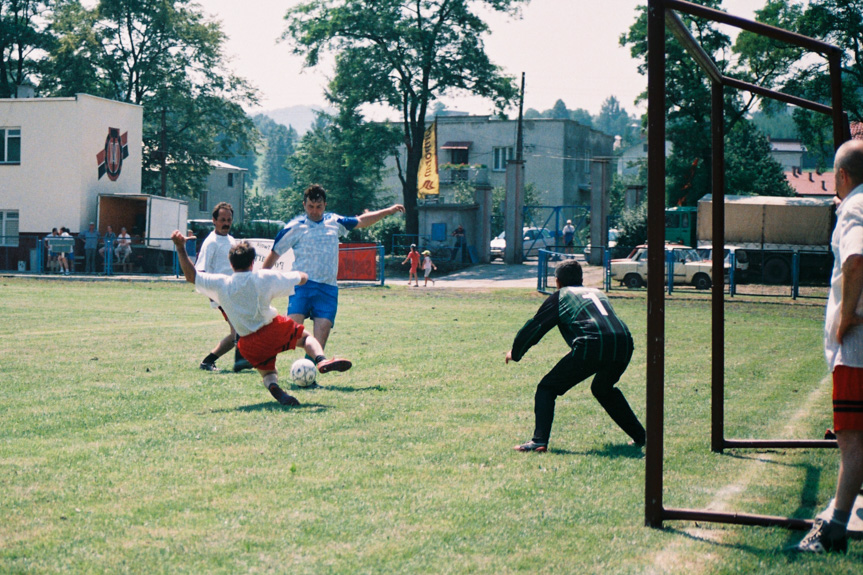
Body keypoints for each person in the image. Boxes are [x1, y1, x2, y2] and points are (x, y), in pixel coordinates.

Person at [170, 231, 352, 406]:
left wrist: (180, 248)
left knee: (268, 373)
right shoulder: (263, 277)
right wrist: (303, 275)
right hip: (272, 329)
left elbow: (191, 276)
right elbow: (300, 278)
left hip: (247, 343)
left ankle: (274, 387)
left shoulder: (221, 284)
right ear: (252, 262)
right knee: (306, 339)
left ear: (231, 263)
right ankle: (321, 360)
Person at [795, 139, 863, 554]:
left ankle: (834, 528)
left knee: (852, 438)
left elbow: (856, 258)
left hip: (856, 348)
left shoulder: (853, 206)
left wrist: (846, 315)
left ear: (841, 176)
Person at [505, 258, 646, 452]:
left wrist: (516, 352)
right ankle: (641, 436)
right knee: (603, 389)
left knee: (547, 388)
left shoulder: (561, 295)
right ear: (581, 279)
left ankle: (539, 441)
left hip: (592, 343)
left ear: (557, 281)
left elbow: (536, 326)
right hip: (624, 343)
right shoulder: (597, 292)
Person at [262, 184, 404, 352]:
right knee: (291, 334)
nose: (314, 211)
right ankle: (258, 350)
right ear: (304, 205)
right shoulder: (294, 227)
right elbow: (274, 254)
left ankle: (310, 374)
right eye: (310, 207)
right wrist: (260, 283)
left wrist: (388, 211)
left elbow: (361, 221)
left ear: (325, 205)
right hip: (301, 287)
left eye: (319, 207)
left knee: (320, 343)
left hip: (327, 289)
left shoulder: (334, 221)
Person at [195, 202, 252, 373]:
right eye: (222, 220)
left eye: (229, 219)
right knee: (239, 328)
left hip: (235, 293)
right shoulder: (211, 242)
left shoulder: (231, 240)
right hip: (221, 294)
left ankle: (210, 361)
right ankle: (241, 360)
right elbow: (200, 270)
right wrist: (211, 294)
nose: (226, 223)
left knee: (239, 329)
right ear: (214, 220)